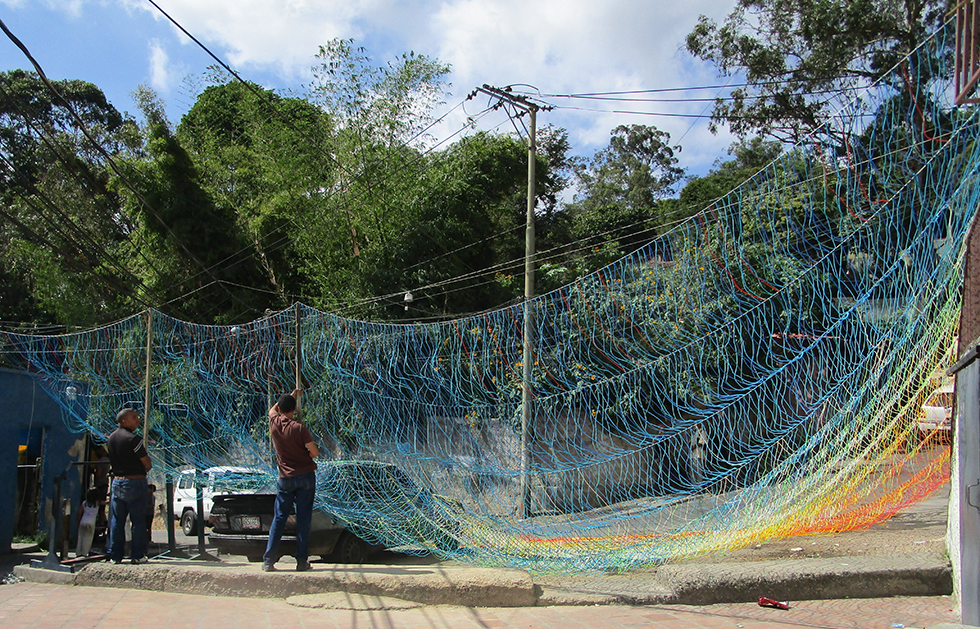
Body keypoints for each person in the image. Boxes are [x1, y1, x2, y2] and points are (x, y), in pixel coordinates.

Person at [263, 388, 318, 572]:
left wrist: (291, 396)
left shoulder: (274, 422)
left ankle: (269, 560)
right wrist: (306, 455)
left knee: (279, 517)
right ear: (294, 410)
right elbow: (315, 452)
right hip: (305, 477)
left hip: (285, 478)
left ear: (280, 409)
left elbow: (272, 410)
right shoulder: (299, 428)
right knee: (303, 519)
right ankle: (302, 561)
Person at [106, 407, 152, 565]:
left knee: (117, 521)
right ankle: (137, 554)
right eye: (134, 417)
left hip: (117, 482)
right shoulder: (134, 440)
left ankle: (115, 555)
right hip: (135, 481)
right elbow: (146, 462)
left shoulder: (111, 438)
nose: (138, 419)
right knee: (138, 521)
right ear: (124, 420)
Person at [76, 488, 100, 557]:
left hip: (83, 520)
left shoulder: (84, 503)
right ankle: (84, 553)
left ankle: (78, 552)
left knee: (81, 536)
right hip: (91, 522)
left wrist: (78, 521)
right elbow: (106, 502)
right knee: (88, 538)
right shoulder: (97, 503)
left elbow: (79, 513)